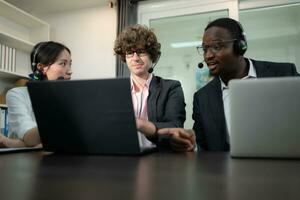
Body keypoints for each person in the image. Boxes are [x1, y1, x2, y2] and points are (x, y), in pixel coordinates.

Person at [192, 17, 299, 151]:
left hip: (285, 167)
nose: (207, 56)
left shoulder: (285, 73)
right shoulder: (202, 98)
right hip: (226, 171)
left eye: (216, 47)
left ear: (240, 47)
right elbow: (202, 148)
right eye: (204, 49)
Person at [114, 24, 194, 151]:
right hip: (124, 159)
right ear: (125, 57)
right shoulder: (115, 91)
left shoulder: (171, 88)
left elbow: (175, 126)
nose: (135, 58)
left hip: (160, 159)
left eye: (140, 52)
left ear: (152, 55)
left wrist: (141, 124)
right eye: (130, 53)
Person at [0, 41, 72, 148]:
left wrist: (10, 142)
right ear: (40, 68)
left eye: (70, 64)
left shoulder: (69, 99)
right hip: (24, 160)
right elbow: (30, 139)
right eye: (62, 63)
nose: (70, 71)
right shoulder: (17, 94)